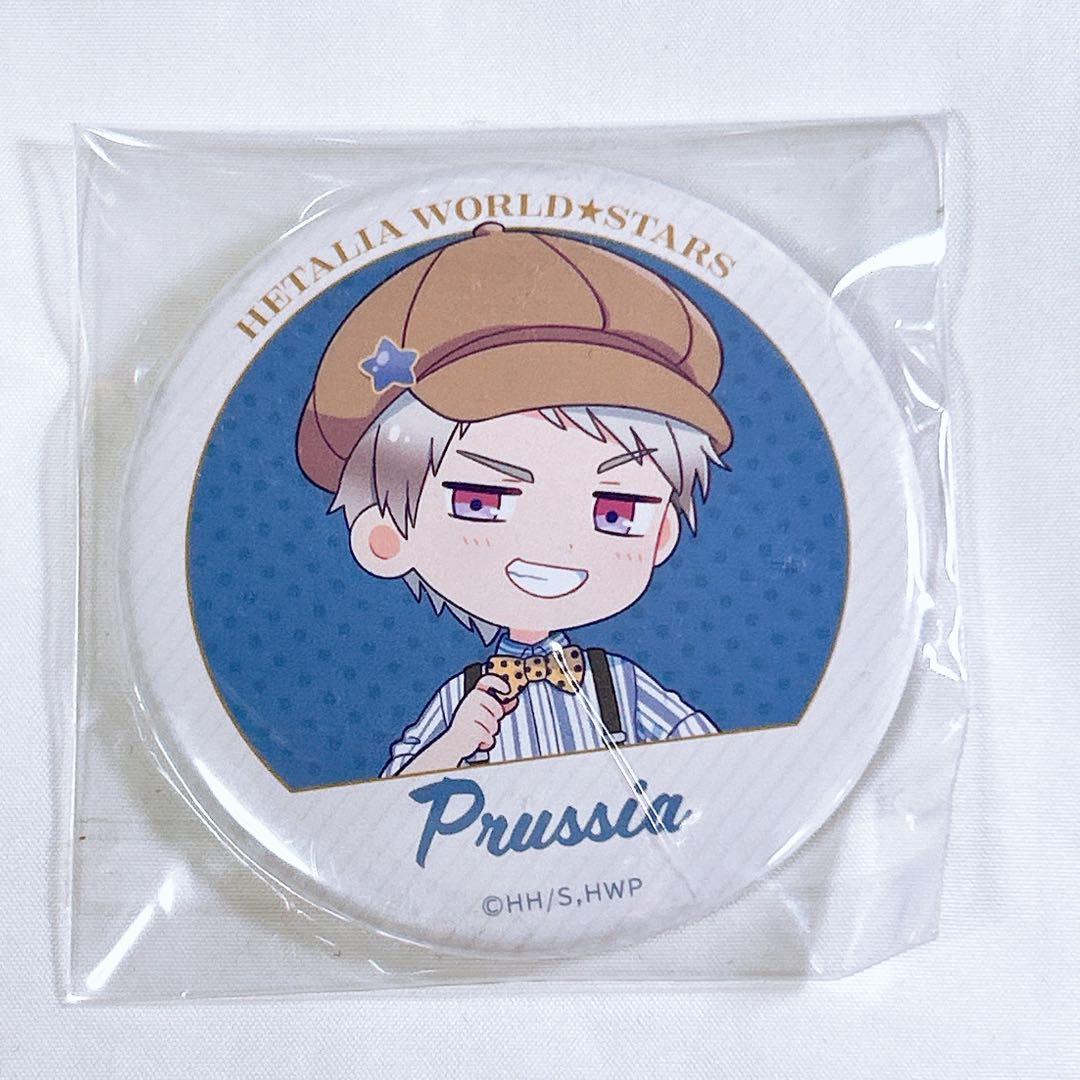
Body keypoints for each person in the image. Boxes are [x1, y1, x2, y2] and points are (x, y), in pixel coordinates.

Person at [296, 222, 733, 777]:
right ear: (386, 538)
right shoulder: (462, 700)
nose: (557, 544)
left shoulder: (617, 684)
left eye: (615, 512)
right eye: (482, 503)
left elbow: (713, 761)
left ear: (661, 533)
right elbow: (387, 799)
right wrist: (453, 744)